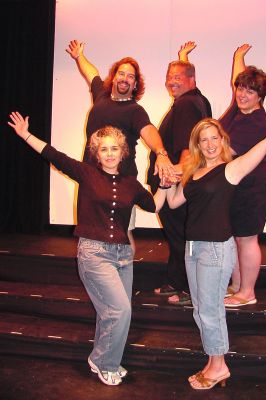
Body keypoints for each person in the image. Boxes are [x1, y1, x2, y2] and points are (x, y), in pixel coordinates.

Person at [163, 88, 266, 389]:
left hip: (215, 252)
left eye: (214, 138)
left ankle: (219, 366)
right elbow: (173, 203)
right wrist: (168, 181)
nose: (209, 144)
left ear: (223, 140)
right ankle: (212, 359)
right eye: (203, 139)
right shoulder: (193, 172)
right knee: (200, 308)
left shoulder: (231, 170)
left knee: (210, 310)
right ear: (196, 144)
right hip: (193, 249)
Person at [7, 112, 168, 386]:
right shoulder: (86, 173)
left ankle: (98, 358)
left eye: (114, 148)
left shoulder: (131, 183)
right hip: (94, 253)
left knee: (112, 312)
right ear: (96, 152)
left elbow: (153, 205)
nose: (109, 153)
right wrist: (25, 135)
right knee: (120, 311)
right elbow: (53, 154)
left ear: (123, 152)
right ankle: (108, 364)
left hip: (123, 256)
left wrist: (165, 183)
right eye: (103, 148)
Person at [66, 39, 173, 251]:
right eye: (122, 73)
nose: (125, 78)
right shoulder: (101, 95)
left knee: (123, 233)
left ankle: (123, 279)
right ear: (114, 77)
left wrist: (161, 152)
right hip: (91, 178)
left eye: (131, 76)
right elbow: (91, 72)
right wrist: (79, 56)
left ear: (135, 85)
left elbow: (149, 131)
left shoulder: (135, 111)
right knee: (89, 231)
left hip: (120, 180)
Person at [147, 42, 212, 306]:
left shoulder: (186, 105)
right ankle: (175, 281)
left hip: (176, 183)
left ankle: (186, 288)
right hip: (181, 181)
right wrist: (183, 59)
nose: (171, 82)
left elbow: (187, 148)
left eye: (177, 78)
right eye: (168, 78)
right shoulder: (198, 99)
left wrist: (172, 177)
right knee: (179, 235)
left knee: (180, 235)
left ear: (191, 80)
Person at [220, 44, 266, 306]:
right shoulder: (238, 110)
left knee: (247, 237)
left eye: (250, 91)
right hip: (238, 184)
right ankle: (238, 286)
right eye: (241, 88)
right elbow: (236, 79)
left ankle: (247, 292)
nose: (242, 94)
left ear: (259, 96)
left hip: (253, 185)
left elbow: (222, 153)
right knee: (237, 236)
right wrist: (238, 57)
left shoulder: (254, 121)